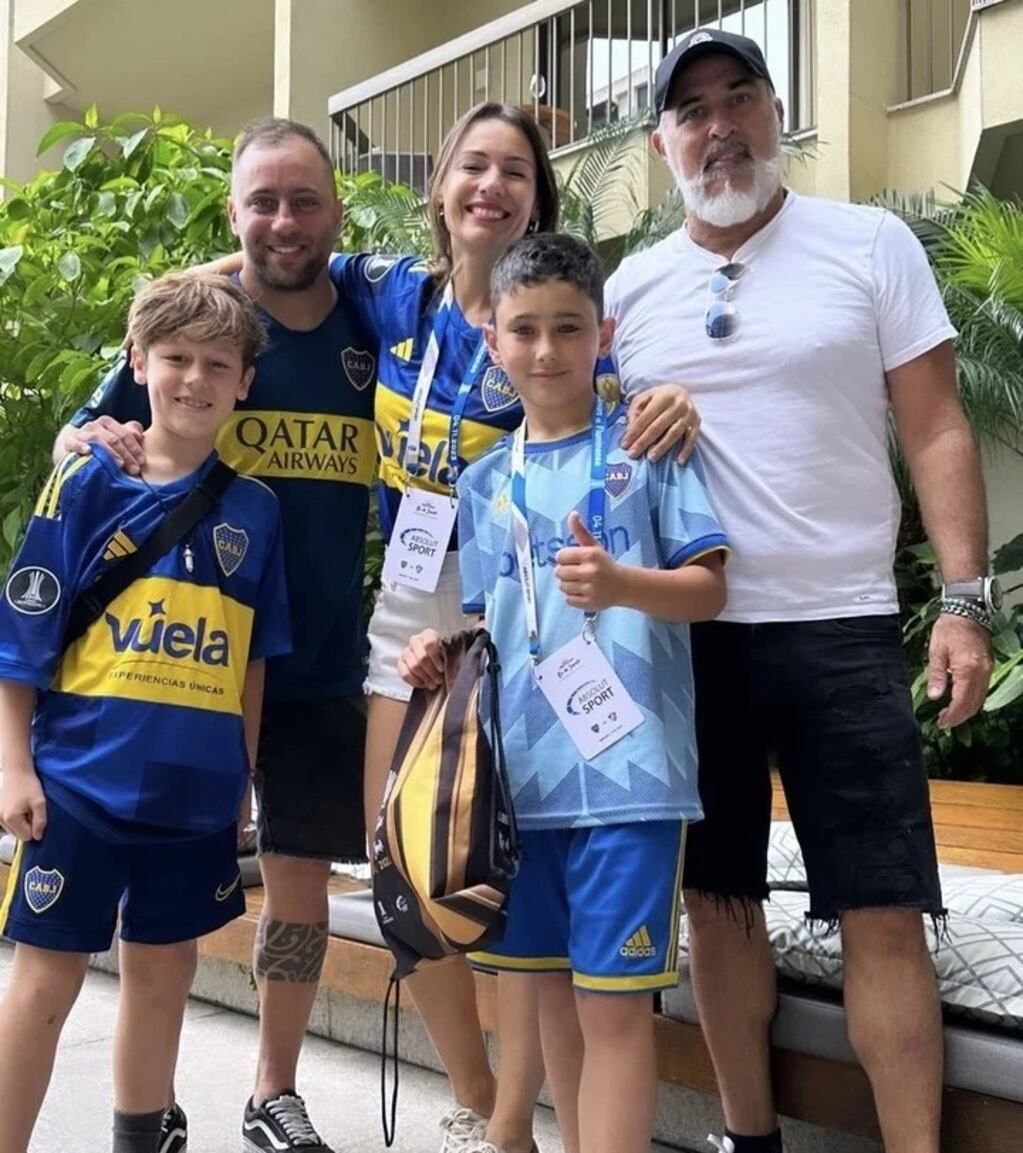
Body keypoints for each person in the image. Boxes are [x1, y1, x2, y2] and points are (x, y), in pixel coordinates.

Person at [604, 29, 995, 1153]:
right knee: (717, 905)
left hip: (842, 629)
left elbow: (935, 427)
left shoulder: (867, 245)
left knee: (882, 908)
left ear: (777, 115)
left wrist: (964, 602)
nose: (718, 126)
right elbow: (584, 456)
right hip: (693, 635)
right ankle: (750, 1137)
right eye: (692, 111)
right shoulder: (631, 289)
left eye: (740, 98)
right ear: (662, 142)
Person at [325, 103, 698, 1153]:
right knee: (409, 853)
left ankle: (509, 1121)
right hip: (421, 601)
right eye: (472, 166)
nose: (490, 185)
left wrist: (670, 405)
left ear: (539, 194)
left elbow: (618, 430)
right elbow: (259, 262)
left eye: (513, 171)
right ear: (441, 185)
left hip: (532, 602)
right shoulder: (390, 293)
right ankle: (477, 1090)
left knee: (513, 847)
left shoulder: (561, 322)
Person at [51, 119, 377, 1153]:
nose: (285, 222)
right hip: (184, 677)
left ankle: (272, 1088)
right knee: (160, 926)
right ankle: (151, 1100)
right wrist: (90, 430)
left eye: (305, 200)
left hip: (320, 661)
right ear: (234, 215)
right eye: (262, 203)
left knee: (297, 890)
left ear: (337, 209)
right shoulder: (204, 326)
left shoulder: (372, 318)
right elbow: (82, 435)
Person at [399, 232, 729, 1153]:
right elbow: (498, 632)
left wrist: (622, 586)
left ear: (603, 333)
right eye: (525, 330)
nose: (546, 351)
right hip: (516, 786)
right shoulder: (480, 481)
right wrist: (438, 651)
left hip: (630, 780)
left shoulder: (649, 449)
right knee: (543, 995)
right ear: (494, 340)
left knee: (614, 1011)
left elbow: (709, 589)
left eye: (568, 328)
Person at [0, 271, 290, 1153]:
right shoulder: (85, 480)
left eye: (216, 363)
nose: (193, 379)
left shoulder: (256, 509)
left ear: (244, 380)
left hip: (194, 796)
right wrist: (13, 765)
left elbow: (249, 661)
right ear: (138, 362)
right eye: (173, 358)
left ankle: (140, 1136)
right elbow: (22, 635)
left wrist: (241, 780)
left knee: (164, 977)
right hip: (78, 783)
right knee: (43, 986)